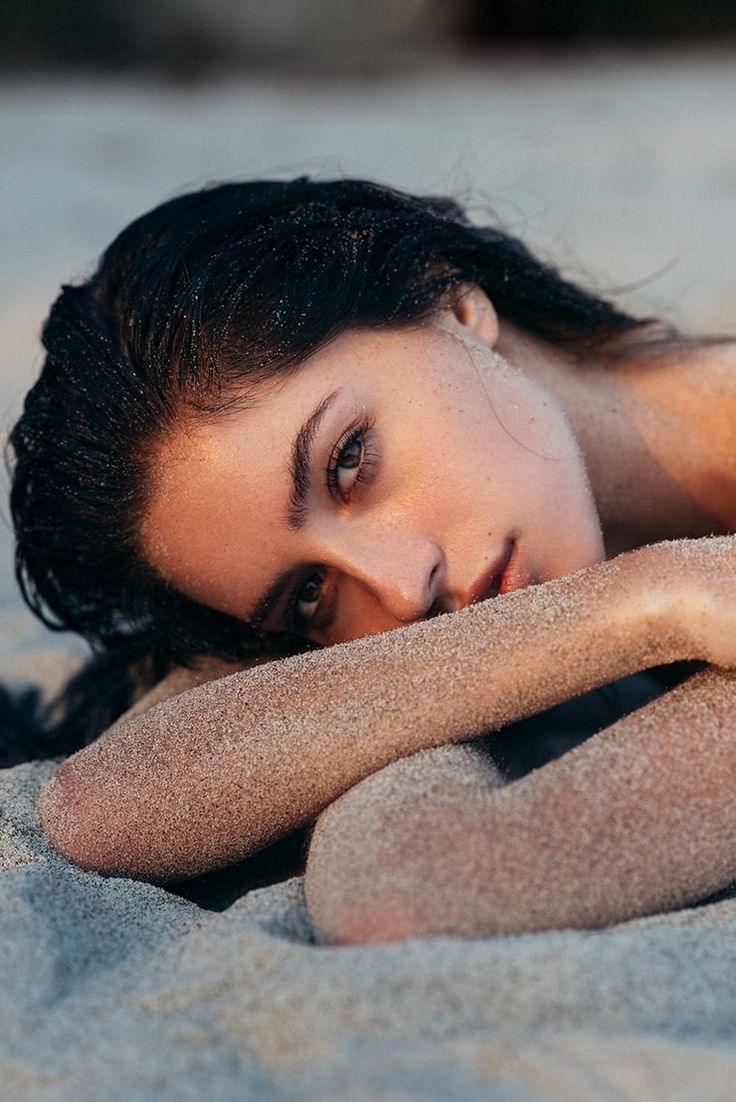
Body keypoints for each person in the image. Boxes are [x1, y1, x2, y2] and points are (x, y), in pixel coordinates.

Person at [8, 177, 736, 943]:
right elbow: (102, 804)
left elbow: (415, 887)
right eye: (310, 593)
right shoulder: (649, 587)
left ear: (456, 306)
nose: (398, 587)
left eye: (350, 460)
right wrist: (644, 601)